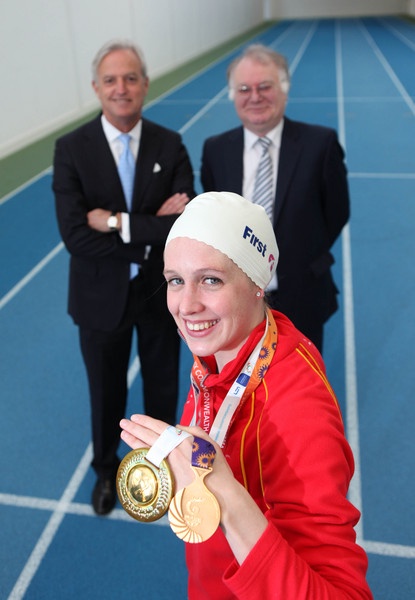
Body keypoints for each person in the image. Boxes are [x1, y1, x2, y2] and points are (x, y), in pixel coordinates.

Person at [120, 191, 373, 599]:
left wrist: (222, 490)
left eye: (210, 280)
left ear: (257, 281)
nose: (186, 305)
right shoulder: (222, 352)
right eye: (175, 281)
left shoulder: (296, 408)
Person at [53, 39, 195, 515]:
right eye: (111, 80)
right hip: (99, 299)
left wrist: (115, 221)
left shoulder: (169, 144)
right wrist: (151, 226)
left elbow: (183, 224)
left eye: (131, 78)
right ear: (96, 88)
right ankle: (106, 472)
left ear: (145, 84)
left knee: (162, 388)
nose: (122, 88)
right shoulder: (71, 150)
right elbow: (75, 237)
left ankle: (159, 470)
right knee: (106, 393)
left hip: (161, 294)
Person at [200, 44, 350, 352]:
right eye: (244, 89)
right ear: (233, 96)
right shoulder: (216, 150)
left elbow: (337, 213)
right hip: (236, 299)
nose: (254, 97)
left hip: (302, 292)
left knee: (301, 387)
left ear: (283, 90)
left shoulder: (320, 145)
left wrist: (300, 256)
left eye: (264, 86)